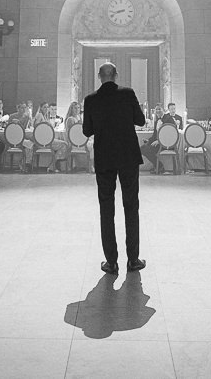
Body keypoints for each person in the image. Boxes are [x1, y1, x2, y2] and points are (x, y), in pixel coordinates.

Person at [82, 62, 146, 275]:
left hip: (105, 157)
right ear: (116, 75)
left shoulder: (91, 100)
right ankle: (133, 260)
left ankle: (111, 262)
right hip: (127, 156)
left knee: (106, 209)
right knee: (131, 206)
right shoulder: (128, 94)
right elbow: (141, 120)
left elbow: (86, 131)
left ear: (99, 76)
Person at [140, 104, 165, 172]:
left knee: (147, 149)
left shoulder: (168, 119)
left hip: (165, 144)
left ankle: (159, 166)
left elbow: (170, 134)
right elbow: (154, 135)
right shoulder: (157, 121)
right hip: (158, 142)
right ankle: (158, 166)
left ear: (164, 110)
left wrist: (159, 141)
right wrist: (148, 141)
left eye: (159, 109)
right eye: (156, 109)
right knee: (142, 148)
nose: (158, 111)